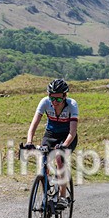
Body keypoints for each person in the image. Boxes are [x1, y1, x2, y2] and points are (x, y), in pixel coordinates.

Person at [26, 79, 78, 210]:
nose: (54, 102)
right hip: (51, 134)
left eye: (58, 100)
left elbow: (72, 132)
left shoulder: (72, 105)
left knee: (59, 159)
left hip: (67, 136)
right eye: (52, 98)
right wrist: (29, 142)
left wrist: (64, 145)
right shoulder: (45, 102)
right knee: (43, 161)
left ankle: (62, 197)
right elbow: (33, 125)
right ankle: (45, 196)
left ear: (65, 96)